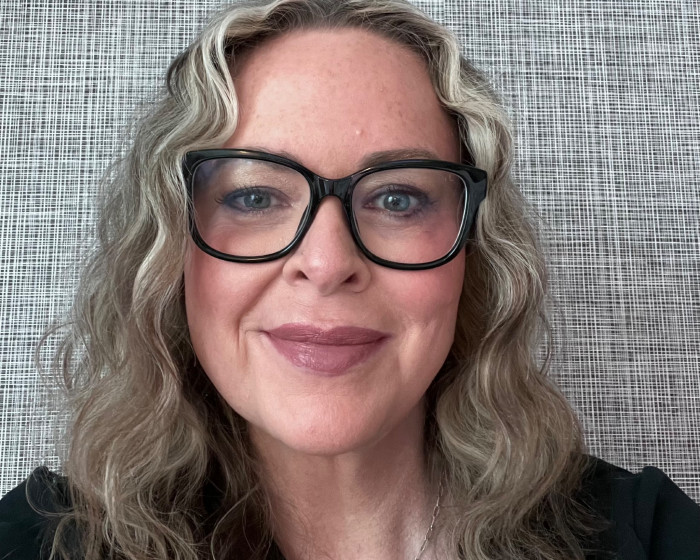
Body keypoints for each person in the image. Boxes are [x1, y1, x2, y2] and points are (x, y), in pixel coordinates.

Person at [0, 0, 698, 559]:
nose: (328, 262)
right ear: (168, 252)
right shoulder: (39, 542)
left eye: (398, 198)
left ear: (474, 253)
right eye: (253, 196)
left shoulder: (646, 535)